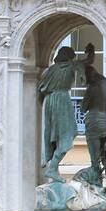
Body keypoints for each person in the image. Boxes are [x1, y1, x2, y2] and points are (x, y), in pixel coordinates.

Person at [38, 46, 82, 184]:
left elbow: (40, 89)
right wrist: (90, 52)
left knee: (60, 137)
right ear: (69, 57)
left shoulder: (50, 70)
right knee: (67, 139)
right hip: (62, 100)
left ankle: (53, 167)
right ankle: (52, 168)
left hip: (50, 101)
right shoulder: (70, 66)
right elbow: (86, 62)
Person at [80, 43, 106, 186]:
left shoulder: (92, 87)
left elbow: (83, 107)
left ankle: (97, 184)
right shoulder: (105, 82)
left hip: (94, 121)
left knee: (95, 158)